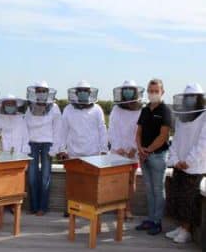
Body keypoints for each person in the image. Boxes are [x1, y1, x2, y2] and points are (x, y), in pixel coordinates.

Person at [58, 80, 108, 217]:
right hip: (73, 152)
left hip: (92, 153)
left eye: (85, 91)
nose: (83, 94)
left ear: (89, 93)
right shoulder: (68, 109)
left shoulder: (97, 109)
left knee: (91, 184)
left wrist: (104, 149)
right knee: (73, 183)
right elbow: (63, 130)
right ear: (76, 93)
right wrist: (62, 149)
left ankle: (90, 209)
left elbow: (102, 129)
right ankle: (71, 208)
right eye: (80, 91)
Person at [166, 83, 206, 243]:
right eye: (187, 97)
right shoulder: (182, 117)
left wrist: (188, 161)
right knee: (177, 197)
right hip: (179, 166)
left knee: (189, 200)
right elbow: (175, 140)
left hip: (194, 167)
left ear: (199, 99)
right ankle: (180, 227)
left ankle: (187, 230)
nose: (189, 100)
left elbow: (203, 144)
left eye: (192, 97)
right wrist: (175, 160)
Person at [135, 78, 172, 235]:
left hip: (157, 156)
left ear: (162, 92)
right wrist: (140, 149)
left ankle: (157, 222)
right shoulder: (144, 110)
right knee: (149, 190)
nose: (153, 94)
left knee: (158, 189)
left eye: (156, 91)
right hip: (144, 156)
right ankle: (150, 219)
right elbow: (138, 132)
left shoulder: (165, 111)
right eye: (150, 91)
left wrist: (147, 151)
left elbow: (163, 136)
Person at [24, 81, 63, 216]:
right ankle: (33, 206)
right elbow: (25, 127)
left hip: (48, 144)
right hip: (32, 143)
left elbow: (58, 129)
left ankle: (43, 207)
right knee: (32, 176)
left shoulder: (55, 108)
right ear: (35, 92)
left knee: (45, 177)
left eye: (43, 91)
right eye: (38, 90)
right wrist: (25, 146)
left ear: (47, 93)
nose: (41, 93)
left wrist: (55, 148)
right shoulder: (29, 108)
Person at [108, 80, 145, 220]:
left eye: (131, 90)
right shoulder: (116, 110)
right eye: (126, 90)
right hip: (118, 153)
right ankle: (118, 208)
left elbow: (141, 131)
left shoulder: (141, 110)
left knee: (131, 181)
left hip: (133, 154)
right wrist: (118, 148)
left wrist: (134, 148)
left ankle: (128, 209)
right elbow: (111, 130)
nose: (128, 92)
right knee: (117, 181)